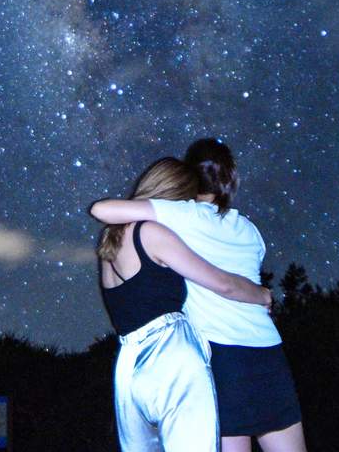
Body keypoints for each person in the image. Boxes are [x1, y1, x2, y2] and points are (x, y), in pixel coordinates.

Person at [91, 139, 308, 452]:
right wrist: (263, 296)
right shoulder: (248, 229)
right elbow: (228, 280)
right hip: (265, 349)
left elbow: (103, 209)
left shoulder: (172, 219)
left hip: (201, 356)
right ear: (230, 180)